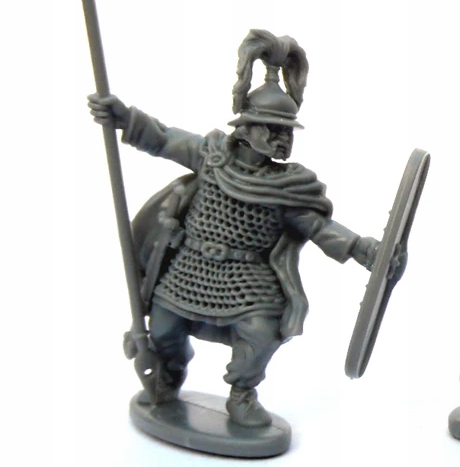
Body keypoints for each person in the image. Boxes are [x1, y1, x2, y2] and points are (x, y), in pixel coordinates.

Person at [89, 30, 382, 428]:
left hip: (250, 278)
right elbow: (163, 138)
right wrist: (124, 118)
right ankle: (169, 375)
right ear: (246, 127)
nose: (281, 139)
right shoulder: (210, 155)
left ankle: (242, 393)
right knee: (164, 327)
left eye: (286, 132)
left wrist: (362, 249)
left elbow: (318, 226)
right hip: (190, 268)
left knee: (261, 333)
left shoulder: (288, 186)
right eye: (272, 130)